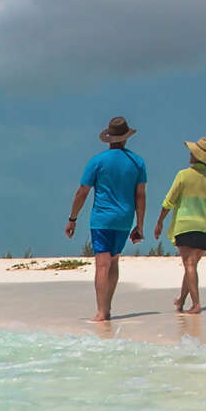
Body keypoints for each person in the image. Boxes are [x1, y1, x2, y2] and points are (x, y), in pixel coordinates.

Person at [63, 116, 147, 322]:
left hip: (102, 218)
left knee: (102, 264)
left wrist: (72, 218)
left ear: (109, 139)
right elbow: (140, 195)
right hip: (124, 219)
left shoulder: (97, 161)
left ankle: (102, 312)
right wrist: (140, 224)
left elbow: (82, 192)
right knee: (114, 261)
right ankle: (107, 307)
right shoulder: (137, 162)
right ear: (126, 139)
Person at [152, 137, 206, 314]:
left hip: (186, 225)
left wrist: (159, 222)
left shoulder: (184, 175)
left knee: (189, 265)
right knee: (191, 265)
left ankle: (196, 304)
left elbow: (169, 201)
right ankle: (181, 301)